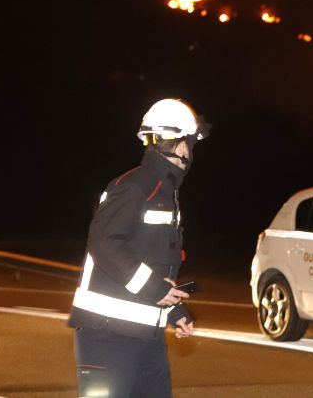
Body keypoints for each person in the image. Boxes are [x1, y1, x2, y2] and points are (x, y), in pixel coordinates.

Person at [68, 98, 210, 398]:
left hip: (145, 334)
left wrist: (173, 310)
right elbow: (103, 242)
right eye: (190, 143)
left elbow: (151, 263)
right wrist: (155, 289)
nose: (191, 151)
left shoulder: (164, 192)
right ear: (181, 145)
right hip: (106, 336)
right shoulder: (135, 187)